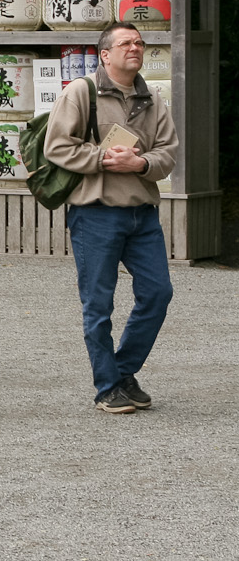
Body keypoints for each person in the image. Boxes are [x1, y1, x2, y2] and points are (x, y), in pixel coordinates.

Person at [44, 22, 179, 414]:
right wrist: (104, 158)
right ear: (105, 54)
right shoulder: (80, 93)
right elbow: (57, 146)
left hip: (143, 213)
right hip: (95, 213)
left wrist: (140, 163)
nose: (135, 48)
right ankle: (107, 388)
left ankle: (121, 371)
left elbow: (168, 152)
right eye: (126, 43)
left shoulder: (152, 98)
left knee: (158, 293)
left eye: (139, 43)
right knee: (98, 305)